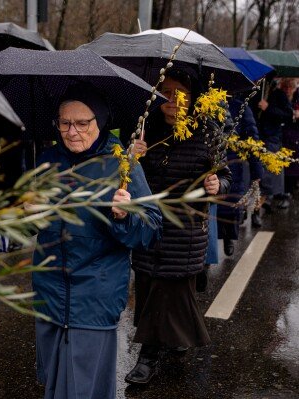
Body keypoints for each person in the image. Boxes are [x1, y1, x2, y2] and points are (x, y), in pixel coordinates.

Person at [32, 84, 162, 399]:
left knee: (81, 387)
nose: (72, 131)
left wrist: (123, 216)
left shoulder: (123, 165)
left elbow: (151, 229)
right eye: (64, 123)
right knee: (51, 380)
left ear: (100, 122)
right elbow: (27, 228)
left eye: (82, 123)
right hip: (49, 293)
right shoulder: (46, 162)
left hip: (95, 295)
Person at [126, 70, 232, 385]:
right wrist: (132, 159)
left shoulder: (208, 133)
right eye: (166, 92)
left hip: (187, 229)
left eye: (180, 93)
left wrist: (217, 183)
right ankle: (175, 334)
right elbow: (125, 180)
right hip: (150, 225)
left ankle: (148, 355)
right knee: (148, 287)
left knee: (171, 286)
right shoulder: (144, 131)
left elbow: (226, 178)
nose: (173, 101)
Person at [218, 96, 264, 254]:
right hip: (210, 163)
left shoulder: (240, 106)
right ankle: (207, 251)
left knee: (231, 205)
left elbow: (252, 139)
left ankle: (228, 236)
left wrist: (256, 170)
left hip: (233, 164)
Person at [257, 79, 294, 210]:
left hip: (271, 138)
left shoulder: (278, 94)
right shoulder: (259, 92)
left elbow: (288, 115)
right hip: (258, 137)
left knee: (269, 173)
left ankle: (267, 199)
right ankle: (260, 203)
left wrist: (268, 108)